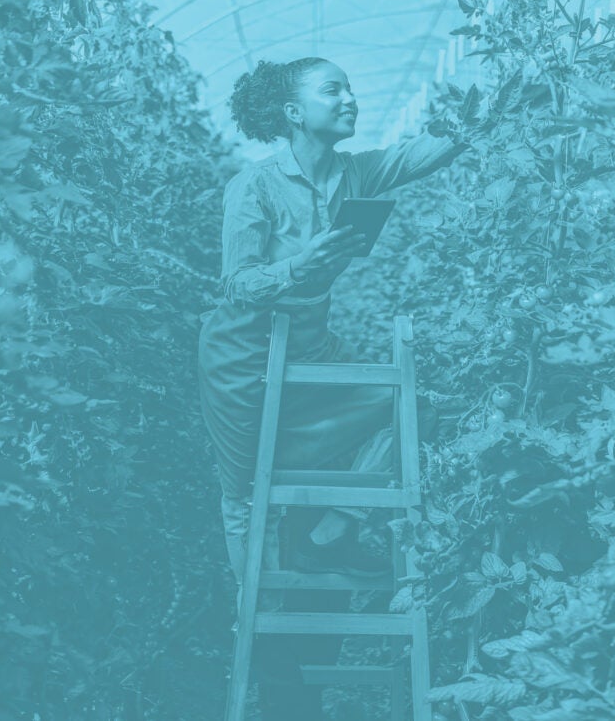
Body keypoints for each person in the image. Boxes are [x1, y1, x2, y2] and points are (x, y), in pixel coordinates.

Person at [196, 57, 466, 720]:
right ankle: (267, 643)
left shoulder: (358, 174)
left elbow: (427, 153)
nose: (350, 98)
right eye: (333, 90)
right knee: (244, 500)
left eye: (350, 86)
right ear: (294, 112)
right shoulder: (254, 187)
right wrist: (301, 264)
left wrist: (483, 107)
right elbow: (237, 284)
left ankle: (331, 531)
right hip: (241, 359)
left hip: (313, 348)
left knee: (409, 408)